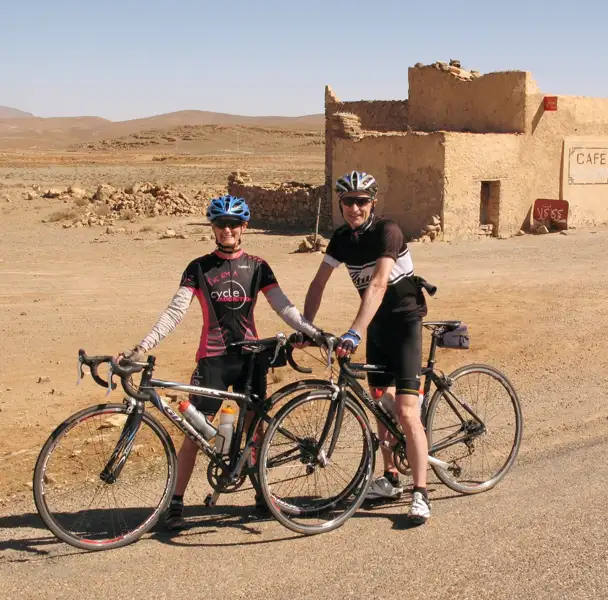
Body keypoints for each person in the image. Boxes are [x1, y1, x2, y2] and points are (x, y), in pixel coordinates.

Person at [118, 195, 324, 531]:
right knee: (196, 431)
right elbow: (175, 312)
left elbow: (283, 307)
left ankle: (262, 491)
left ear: (244, 227)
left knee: (255, 427)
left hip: (251, 359)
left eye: (233, 223)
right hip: (212, 359)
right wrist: (142, 346)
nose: (227, 229)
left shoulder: (258, 266)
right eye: (220, 223)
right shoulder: (198, 267)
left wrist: (313, 332)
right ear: (212, 228)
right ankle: (176, 500)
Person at [299, 170, 432, 525]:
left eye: (361, 201)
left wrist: (354, 332)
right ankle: (390, 478)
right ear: (340, 205)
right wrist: (305, 327)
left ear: (373, 202)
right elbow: (318, 283)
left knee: (405, 412)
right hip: (377, 328)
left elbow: (377, 283)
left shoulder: (387, 231)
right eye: (348, 201)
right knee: (378, 404)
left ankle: (421, 492)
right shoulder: (342, 239)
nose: (355, 207)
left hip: (405, 324)